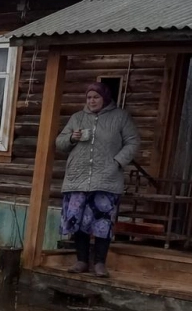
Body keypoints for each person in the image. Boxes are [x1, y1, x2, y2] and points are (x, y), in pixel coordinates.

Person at [56, 82, 140, 278]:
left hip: (107, 178)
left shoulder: (120, 117)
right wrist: (71, 138)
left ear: (105, 98)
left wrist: (117, 162)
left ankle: (100, 263)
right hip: (78, 178)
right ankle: (82, 261)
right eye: (89, 97)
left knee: (103, 223)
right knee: (78, 219)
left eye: (96, 97)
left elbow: (133, 141)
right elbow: (59, 143)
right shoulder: (77, 118)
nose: (92, 101)